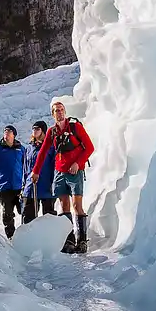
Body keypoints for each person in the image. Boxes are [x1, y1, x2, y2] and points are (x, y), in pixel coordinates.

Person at [32, 98, 95, 253]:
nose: (59, 112)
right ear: (53, 114)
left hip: (75, 172)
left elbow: (89, 148)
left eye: (61, 110)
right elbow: (43, 152)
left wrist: (77, 163)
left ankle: (82, 241)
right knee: (64, 205)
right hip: (60, 173)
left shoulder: (75, 127)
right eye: (56, 110)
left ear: (65, 112)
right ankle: (69, 240)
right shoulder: (52, 132)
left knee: (76, 206)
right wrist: (36, 171)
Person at [21, 120, 57, 225]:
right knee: (28, 218)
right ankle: (28, 240)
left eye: (37, 129)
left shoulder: (50, 148)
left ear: (43, 131)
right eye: (33, 129)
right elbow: (25, 168)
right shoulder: (29, 148)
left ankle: (49, 239)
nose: (35, 131)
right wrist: (24, 185)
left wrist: (53, 184)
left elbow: (54, 166)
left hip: (46, 187)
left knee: (48, 218)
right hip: (30, 187)